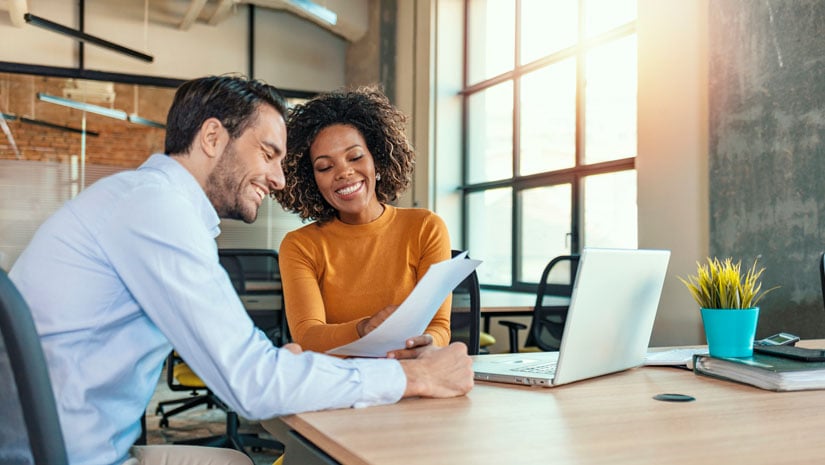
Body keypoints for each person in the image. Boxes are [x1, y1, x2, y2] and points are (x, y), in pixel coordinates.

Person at [9, 75, 474, 465]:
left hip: (76, 445)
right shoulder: (155, 210)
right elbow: (250, 384)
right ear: (213, 138)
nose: (278, 178)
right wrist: (415, 378)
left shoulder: (146, 202)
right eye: (269, 153)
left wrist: (284, 367)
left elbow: (249, 366)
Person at [274, 87, 451, 358]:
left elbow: (439, 327)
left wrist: (427, 344)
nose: (344, 172)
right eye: (325, 167)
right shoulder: (300, 245)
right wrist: (363, 328)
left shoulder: (426, 227)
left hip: (409, 374)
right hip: (338, 382)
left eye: (355, 157)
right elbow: (308, 336)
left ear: (377, 160)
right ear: (312, 180)